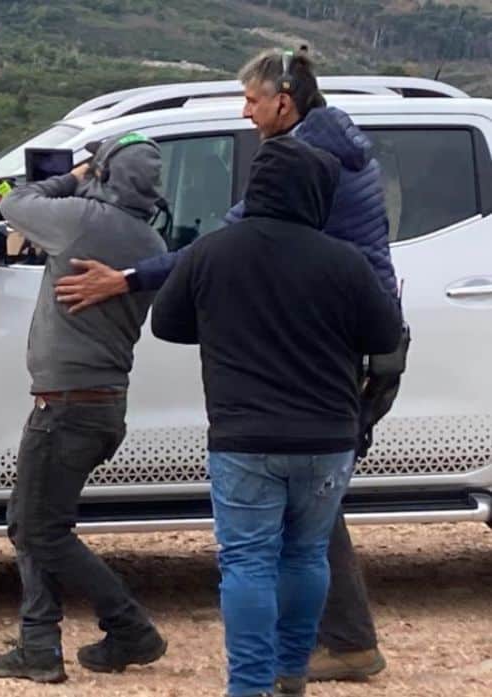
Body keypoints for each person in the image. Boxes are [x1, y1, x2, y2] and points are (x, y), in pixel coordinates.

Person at [55, 48, 399, 682]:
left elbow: (218, 245)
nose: (245, 114)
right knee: (312, 503)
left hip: (320, 346)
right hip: (350, 338)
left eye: (251, 101)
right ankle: (328, 649)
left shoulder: (303, 164)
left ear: (284, 102)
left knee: (256, 549)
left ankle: (282, 668)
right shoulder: (336, 147)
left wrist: (129, 277)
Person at [150, 136, 402, 697]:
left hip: (244, 439)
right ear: (316, 193)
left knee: (247, 562)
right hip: (327, 439)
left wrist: (218, 322)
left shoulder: (212, 252)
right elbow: (384, 336)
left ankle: (249, 687)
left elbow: (165, 324)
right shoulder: (344, 260)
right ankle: (293, 673)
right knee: (307, 554)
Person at [0, 133, 169, 684]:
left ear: (105, 174)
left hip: (65, 406)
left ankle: (127, 625)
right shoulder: (151, 243)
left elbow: (9, 201)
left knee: (41, 530)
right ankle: (39, 641)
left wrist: (72, 175)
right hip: (101, 405)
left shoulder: (81, 220)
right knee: (31, 521)